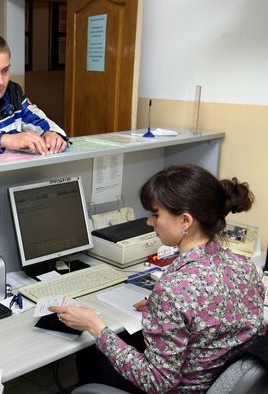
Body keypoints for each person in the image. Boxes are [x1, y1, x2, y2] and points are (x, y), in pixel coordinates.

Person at [51, 164, 265, 393]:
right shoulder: (245, 267)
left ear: (185, 221)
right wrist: (165, 313)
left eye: (155, 214)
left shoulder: (173, 290)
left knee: (93, 354)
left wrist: (96, 326)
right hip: (216, 380)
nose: (149, 222)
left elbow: (157, 382)